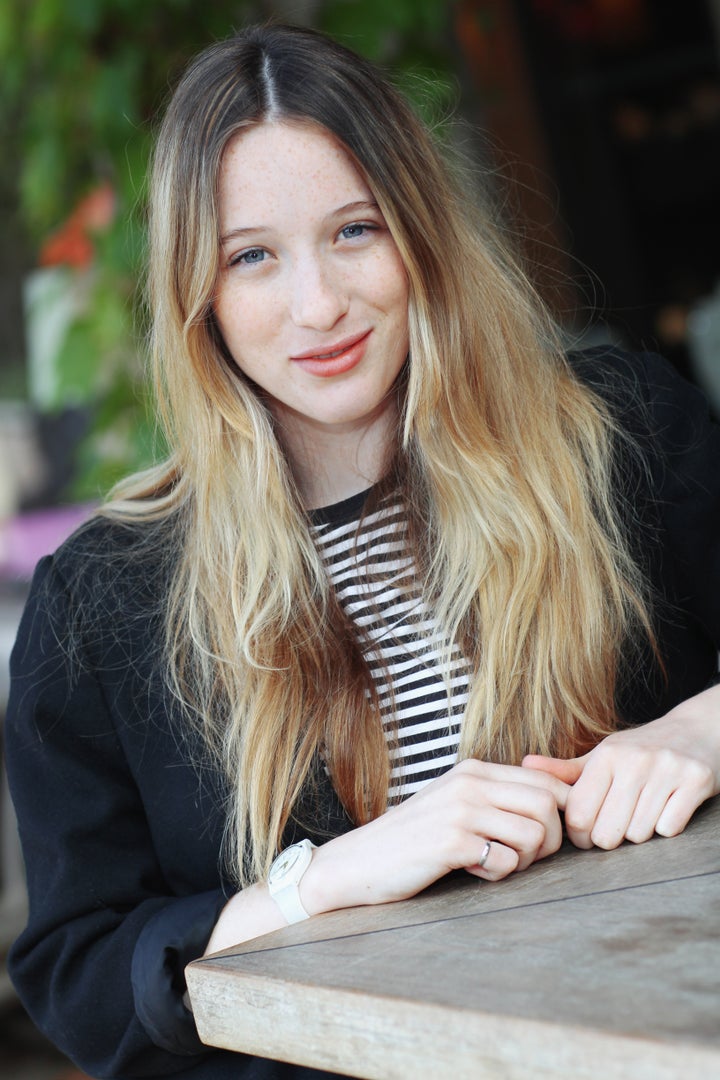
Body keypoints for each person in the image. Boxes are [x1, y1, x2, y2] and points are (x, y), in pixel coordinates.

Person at [6, 21, 719, 1080]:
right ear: (196, 293)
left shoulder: (621, 438)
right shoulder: (104, 604)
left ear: (421, 235)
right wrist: (324, 881)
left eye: (355, 231)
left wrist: (701, 733)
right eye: (252, 256)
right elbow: (84, 980)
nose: (317, 305)